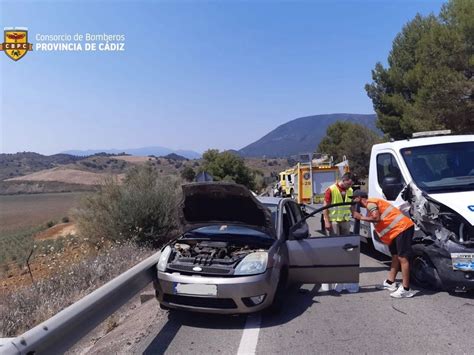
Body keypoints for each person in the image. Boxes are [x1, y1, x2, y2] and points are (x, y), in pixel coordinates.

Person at [351, 190, 416, 298]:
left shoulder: (370, 203)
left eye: (353, 199)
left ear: (359, 197)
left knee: (402, 258)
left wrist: (360, 217)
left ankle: (406, 288)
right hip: (396, 231)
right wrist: (354, 210)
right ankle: (390, 283)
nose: (353, 201)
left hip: (402, 228)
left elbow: (376, 218)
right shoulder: (370, 205)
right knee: (395, 256)